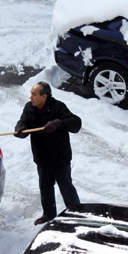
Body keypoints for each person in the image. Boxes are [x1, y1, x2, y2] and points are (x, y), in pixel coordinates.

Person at [15, 82, 82, 225]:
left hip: (59, 159)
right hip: (42, 158)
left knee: (66, 188)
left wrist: (59, 123)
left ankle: (77, 215)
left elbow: (76, 123)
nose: (31, 97)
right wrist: (20, 128)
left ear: (44, 96)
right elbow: (23, 121)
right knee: (45, 189)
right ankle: (48, 214)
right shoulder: (29, 107)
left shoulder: (58, 107)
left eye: (34, 94)